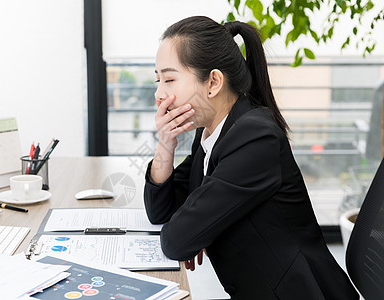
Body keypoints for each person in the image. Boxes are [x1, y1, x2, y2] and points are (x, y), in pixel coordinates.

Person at [143, 16, 359, 299]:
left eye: (170, 79)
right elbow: (161, 213)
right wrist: (165, 145)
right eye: (158, 80)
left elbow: (176, 240)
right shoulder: (211, 131)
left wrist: (198, 231)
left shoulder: (255, 138)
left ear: (213, 82)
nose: (159, 94)